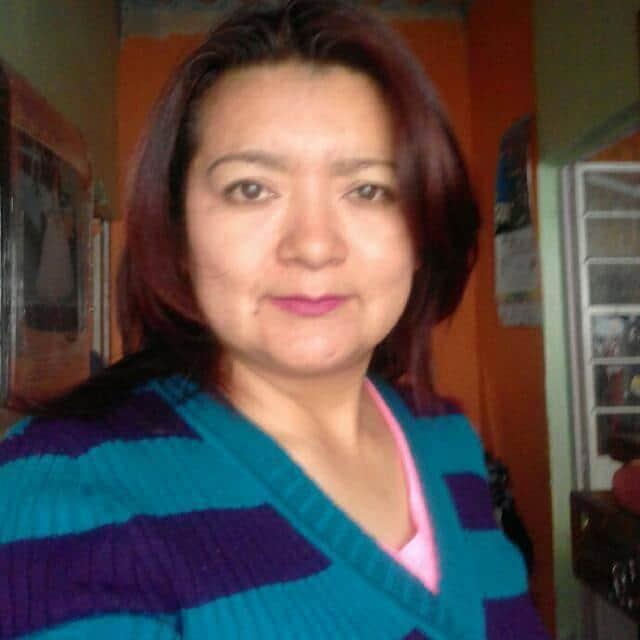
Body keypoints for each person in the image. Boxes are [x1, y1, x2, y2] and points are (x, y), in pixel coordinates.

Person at [0, 1, 549, 638]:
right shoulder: (67, 488)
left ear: (423, 229)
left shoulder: (447, 441)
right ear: (178, 232)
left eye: (368, 189)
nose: (313, 246)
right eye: (251, 189)